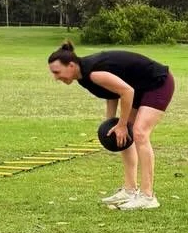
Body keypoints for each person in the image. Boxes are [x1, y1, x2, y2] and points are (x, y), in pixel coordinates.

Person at [47, 39, 174, 210]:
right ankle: (129, 190)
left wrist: (121, 124)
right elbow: (112, 93)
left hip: (157, 83)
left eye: (57, 72)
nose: (56, 77)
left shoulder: (93, 73)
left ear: (70, 65)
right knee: (122, 133)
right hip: (139, 87)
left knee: (139, 133)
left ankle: (147, 196)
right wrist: (111, 123)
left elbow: (126, 92)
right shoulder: (83, 76)